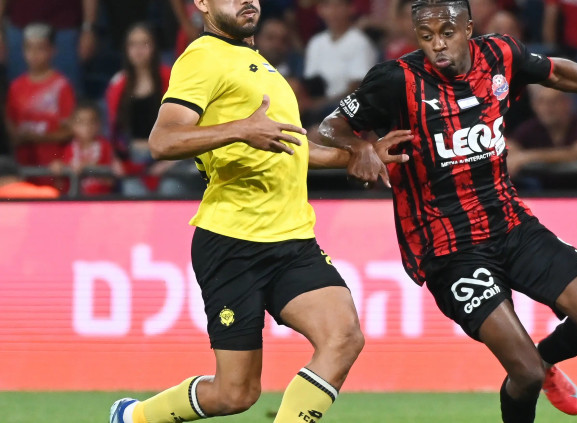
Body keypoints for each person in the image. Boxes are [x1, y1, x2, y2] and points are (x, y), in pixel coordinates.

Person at [319, 1, 577, 421]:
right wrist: (359, 146)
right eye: (427, 36)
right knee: (523, 373)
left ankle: (545, 361)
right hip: (448, 247)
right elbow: (330, 126)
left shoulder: (500, 55)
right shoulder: (396, 80)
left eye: (447, 33)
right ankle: (535, 368)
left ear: (468, 28)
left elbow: (555, 72)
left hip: (510, 224)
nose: (438, 44)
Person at [107, 1, 404, 422]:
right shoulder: (202, 57)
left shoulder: (261, 66)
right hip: (233, 242)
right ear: (202, 3)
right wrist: (241, 129)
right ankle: (133, 417)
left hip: (292, 239)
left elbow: (293, 147)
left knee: (343, 336)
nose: (248, 0)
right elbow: (163, 140)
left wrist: (361, 153)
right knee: (235, 394)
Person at [104, 23, 173, 196]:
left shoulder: (170, 77)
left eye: (144, 43)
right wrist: (115, 159)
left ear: (154, 46)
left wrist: (170, 162)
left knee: (170, 189)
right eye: (133, 44)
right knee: (133, 194)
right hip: (131, 161)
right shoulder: (118, 84)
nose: (138, 50)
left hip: (169, 157)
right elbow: (113, 129)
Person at [5, 23, 75, 188]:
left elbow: (69, 131)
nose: (34, 54)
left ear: (52, 50)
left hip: (52, 169)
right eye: (29, 48)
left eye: (40, 48)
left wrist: (36, 137)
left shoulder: (61, 86)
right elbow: (11, 128)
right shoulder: (15, 87)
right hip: (23, 167)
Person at [506, 85, 577, 190]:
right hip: (550, 195)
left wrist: (528, 157)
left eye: (554, 102)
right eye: (541, 102)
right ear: (534, 106)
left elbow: (576, 154)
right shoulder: (532, 127)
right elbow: (510, 146)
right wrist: (514, 156)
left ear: (567, 103)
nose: (547, 108)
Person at [50, 101, 121, 196]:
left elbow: (111, 180)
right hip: (75, 199)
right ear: (73, 125)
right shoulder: (68, 148)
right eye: (81, 122)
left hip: (100, 199)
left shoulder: (106, 146)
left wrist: (89, 167)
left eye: (91, 122)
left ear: (99, 125)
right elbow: (60, 186)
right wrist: (58, 170)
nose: (87, 127)